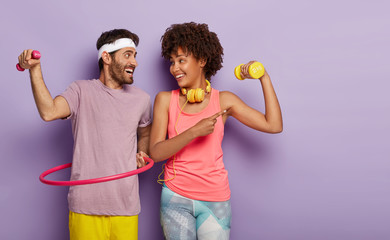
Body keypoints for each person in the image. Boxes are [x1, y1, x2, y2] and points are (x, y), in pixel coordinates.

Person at [149, 22, 283, 240]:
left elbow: (274, 125)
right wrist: (194, 131)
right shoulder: (164, 100)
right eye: (172, 62)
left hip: (216, 198)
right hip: (175, 197)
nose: (174, 68)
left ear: (202, 60)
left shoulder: (224, 100)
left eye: (181, 60)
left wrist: (264, 77)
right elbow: (155, 152)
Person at [17, 29, 152, 240]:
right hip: (85, 206)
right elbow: (49, 111)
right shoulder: (80, 91)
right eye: (127, 54)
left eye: (135, 56)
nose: (134, 62)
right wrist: (34, 69)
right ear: (106, 57)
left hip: (126, 206)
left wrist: (142, 152)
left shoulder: (142, 99)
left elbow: (145, 131)